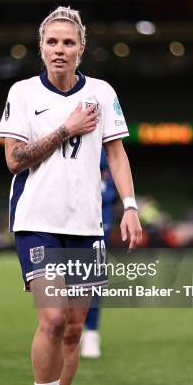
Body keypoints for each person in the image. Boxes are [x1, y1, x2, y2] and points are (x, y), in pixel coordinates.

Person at [0, 6, 142, 385]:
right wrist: (65, 128)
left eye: (68, 42)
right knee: (53, 319)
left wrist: (130, 207)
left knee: (75, 329)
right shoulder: (22, 93)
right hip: (37, 222)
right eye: (52, 42)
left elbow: (115, 154)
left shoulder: (101, 92)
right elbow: (14, 159)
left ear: (82, 48)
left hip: (87, 228)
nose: (59, 50)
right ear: (41, 47)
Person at [80, 148, 117, 358]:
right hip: (66, 214)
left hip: (99, 216)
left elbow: (110, 184)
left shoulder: (104, 143)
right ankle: (65, 329)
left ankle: (92, 332)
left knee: (93, 276)